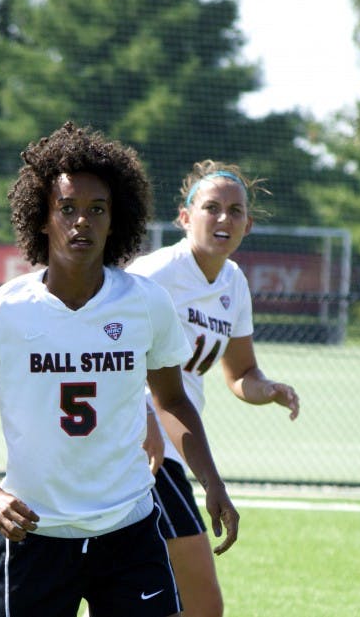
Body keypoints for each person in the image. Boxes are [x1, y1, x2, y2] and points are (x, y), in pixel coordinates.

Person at [0, 122, 239, 617]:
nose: (82, 222)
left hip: (128, 530)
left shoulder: (146, 302)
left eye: (96, 210)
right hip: (35, 532)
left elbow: (172, 400)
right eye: (67, 209)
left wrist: (211, 480)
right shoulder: (3, 309)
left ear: (114, 220)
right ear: (42, 218)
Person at [126, 161, 300, 617]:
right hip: (140, 449)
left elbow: (240, 372)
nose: (224, 218)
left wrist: (268, 389)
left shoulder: (234, 281)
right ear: (185, 217)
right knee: (202, 602)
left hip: (177, 445)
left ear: (249, 223)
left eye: (235, 210)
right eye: (211, 208)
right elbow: (105, 350)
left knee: (145, 596)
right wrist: (139, 418)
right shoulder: (154, 273)